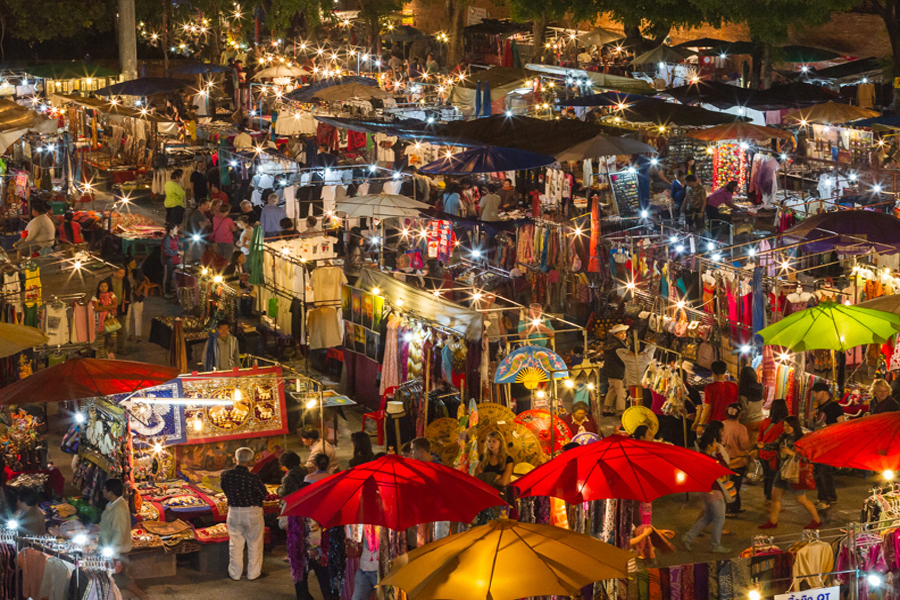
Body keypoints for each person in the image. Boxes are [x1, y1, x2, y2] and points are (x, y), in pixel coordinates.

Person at [758, 416, 822, 530]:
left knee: (801, 499)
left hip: (796, 473)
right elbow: (774, 445)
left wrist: (791, 453)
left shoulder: (802, 439)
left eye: (789, 426)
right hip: (783, 471)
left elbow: (807, 458)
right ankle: (773, 521)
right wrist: (764, 446)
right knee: (775, 497)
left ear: (795, 426)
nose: (786, 428)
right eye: (785, 425)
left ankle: (817, 520)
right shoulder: (784, 436)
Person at [681, 421, 730, 553]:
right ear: (710, 444)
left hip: (706, 491)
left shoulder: (701, 456)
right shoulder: (710, 459)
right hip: (713, 491)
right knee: (719, 518)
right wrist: (719, 454)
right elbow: (725, 469)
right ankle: (715, 545)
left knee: (708, 517)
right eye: (714, 444)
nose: (716, 446)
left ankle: (689, 537)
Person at [221, 447, 267, 580]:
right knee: (255, 543)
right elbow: (263, 494)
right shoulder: (253, 478)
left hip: (234, 511)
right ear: (250, 461)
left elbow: (225, 490)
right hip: (252, 511)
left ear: (236, 459)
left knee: (235, 543)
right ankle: (253, 573)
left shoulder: (226, 475)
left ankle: (235, 573)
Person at [99, 479, 149, 600]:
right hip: (111, 548)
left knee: (121, 579)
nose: (102, 491)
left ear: (110, 492)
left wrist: (113, 555)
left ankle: (144, 596)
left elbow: (119, 533)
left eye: (104, 489)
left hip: (117, 551)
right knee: (117, 578)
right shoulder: (113, 505)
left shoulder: (119, 509)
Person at [811, 381, 844, 508]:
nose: (815, 395)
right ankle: (822, 497)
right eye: (814, 392)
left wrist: (828, 429)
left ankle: (830, 498)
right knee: (817, 471)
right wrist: (812, 416)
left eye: (817, 392)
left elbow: (841, 424)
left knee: (825, 471)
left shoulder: (834, 407)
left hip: (830, 444)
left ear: (825, 392)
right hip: (819, 443)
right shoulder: (817, 407)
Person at [721, 403, 751, 516]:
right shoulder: (741, 428)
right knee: (734, 486)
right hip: (737, 461)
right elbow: (745, 445)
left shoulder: (721, 425)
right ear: (739, 415)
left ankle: (734, 508)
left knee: (726, 485)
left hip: (723, 460)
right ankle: (730, 509)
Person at [759, 399, 789, 505]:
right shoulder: (784, 426)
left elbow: (760, 439)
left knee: (767, 477)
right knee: (774, 479)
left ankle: (767, 498)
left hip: (763, 454)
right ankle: (771, 500)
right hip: (775, 456)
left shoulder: (765, 422)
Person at [695, 361, 739, 431]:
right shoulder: (734, 386)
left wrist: (701, 424)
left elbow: (707, 407)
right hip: (730, 422)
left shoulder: (709, 388)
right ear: (725, 371)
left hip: (714, 423)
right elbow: (736, 404)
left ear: (712, 372)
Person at [103, 266, 132, 356]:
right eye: (120, 273)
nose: (123, 275)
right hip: (111, 309)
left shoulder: (125, 281)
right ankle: (107, 349)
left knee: (121, 329)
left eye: (123, 273)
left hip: (122, 307)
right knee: (109, 330)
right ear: (114, 272)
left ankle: (121, 348)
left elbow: (128, 292)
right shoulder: (107, 282)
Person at [602, 324, 629, 417]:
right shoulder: (618, 345)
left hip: (611, 371)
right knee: (621, 391)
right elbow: (621, 359)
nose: (623, 335)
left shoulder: (611, 343)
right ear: (615, 335)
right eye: (621, 333)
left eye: (624, 333)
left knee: (612, 390)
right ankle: (622, 411)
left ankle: (606, 409)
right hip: (617, 371)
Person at [738, 366, 765, 446]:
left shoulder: (742, 389)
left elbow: (744, 407)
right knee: (755, 446)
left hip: (746, 422)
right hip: (759, 420)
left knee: (745, 447)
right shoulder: (761, 387)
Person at [91, 280, 118, 357]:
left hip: (110, 319)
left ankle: (109, 349)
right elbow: (96, 308)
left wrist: (103, 307)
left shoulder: (111, 295)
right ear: (99, 287)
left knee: (113, 337)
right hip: (99, 321)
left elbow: (115, 305)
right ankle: (103, 358)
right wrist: (109, 308)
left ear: (108, 287)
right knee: (101, 342)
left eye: (105, 286)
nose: (103, 288)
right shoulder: (95, 297)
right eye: (101, 286)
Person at [126, 257, 148, 343]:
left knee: (138, 316)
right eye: (133, 262)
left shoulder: (138, 271)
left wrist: (139, 289)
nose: (134, 264)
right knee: (127, 317)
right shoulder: (124, 273)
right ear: (128, 264)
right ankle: (128, 334)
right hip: (127, 298)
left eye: (135, 262)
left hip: (137, 297)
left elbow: (143, 280)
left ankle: (138, 335)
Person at [186, 198, 211, 263]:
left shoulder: (201, 214)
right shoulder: (197, 214)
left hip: (200, 237)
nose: (208, 207)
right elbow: (202, 225)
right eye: (207, 205)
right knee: (198, 255)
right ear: (202, 205)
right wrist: (206, 222)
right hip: (198, 238)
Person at [160, 223, 180, 298]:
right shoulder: (167, 239)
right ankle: (166, 292)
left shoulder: (175, 237)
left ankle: (172, 291)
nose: (177, 230)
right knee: (167, 276)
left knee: (173, 276)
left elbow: (176, 247)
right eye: (175, 229)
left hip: (175, 260)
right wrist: (176, 252)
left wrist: (179, 252)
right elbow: (166, 250)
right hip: (168, 260)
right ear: (171, 230)